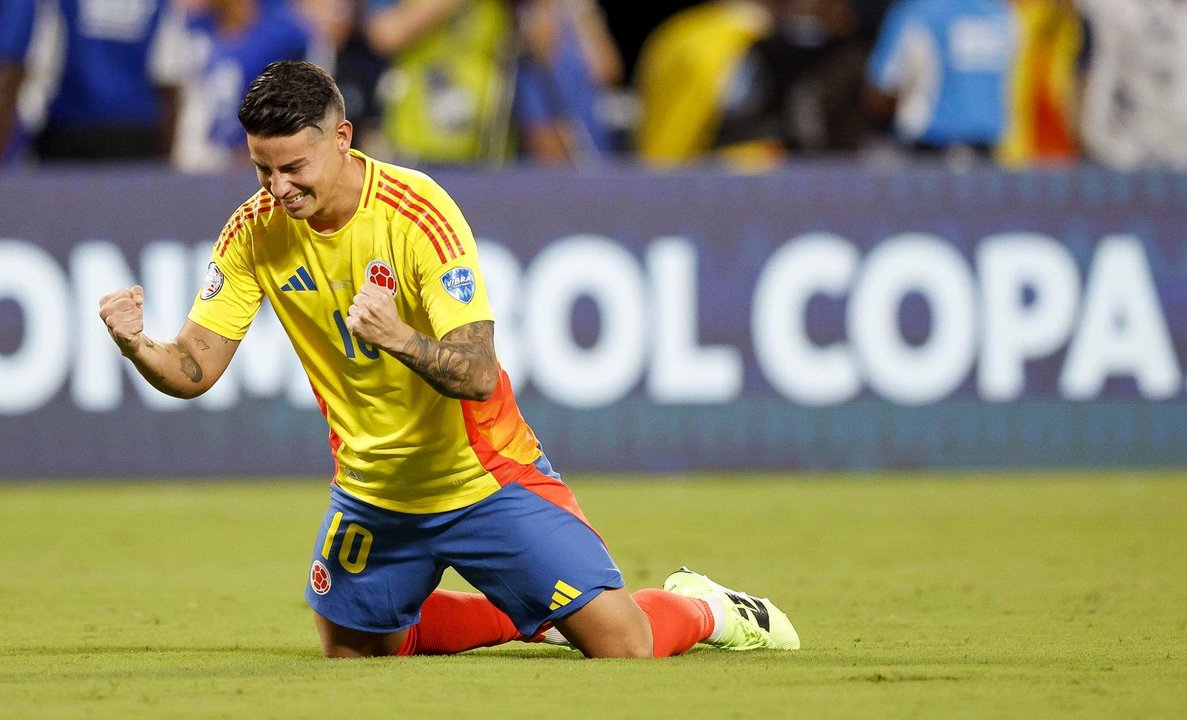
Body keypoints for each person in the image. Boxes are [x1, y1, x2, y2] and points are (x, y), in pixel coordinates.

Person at [97, 61, 799, 659]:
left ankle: (705, 606)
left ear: (341, 139)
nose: (277, 190)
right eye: (262, 169)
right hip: (373, 489)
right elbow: (196, 366)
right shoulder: (253, 231)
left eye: (292, 169)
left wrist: (399, 336)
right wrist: (138, 344)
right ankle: (525, 613)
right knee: (354, 651)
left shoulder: (417, 212)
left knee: (624, 644)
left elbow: (478, 371)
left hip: (482, 476)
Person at [171, 0, 317, 173]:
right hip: (203, 160)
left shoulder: (287, 35)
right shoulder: (193, 29)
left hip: (261, 164)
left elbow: (312, 104)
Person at [865, 0, 1017, 160]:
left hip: (928, 150)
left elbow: (880, 93)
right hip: (990, 152)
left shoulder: (917, 13)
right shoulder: (1004, 14)